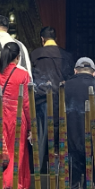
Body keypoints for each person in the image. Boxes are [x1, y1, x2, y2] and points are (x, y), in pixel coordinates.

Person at [0, 41, 32, 189]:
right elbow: (27, 103)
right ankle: (11, 187)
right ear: (17, 58)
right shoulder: (23, 75)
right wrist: (31, 126)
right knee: (15, 152)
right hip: (17, 117)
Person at [31, 26, 74, 170]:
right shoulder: (66, 56)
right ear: (56, 39)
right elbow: (69, 78)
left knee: (42, 136)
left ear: (42, 39)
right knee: (60, 136)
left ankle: (40, 168)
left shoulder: (35, 54)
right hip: (62, 101)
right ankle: (60, 170)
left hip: (42, 100)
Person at [63, 58, 95, 189]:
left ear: (75, 71)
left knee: (71, 184)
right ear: (94, 73)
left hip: (70, 141)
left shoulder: (65, 87)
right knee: (93, 184)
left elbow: (57, 114)